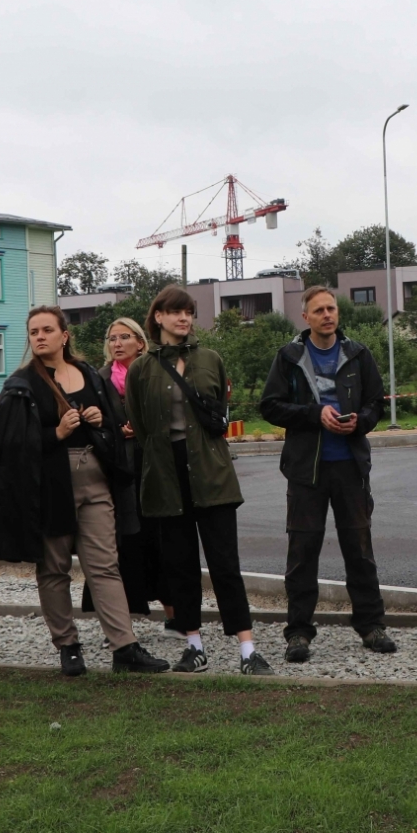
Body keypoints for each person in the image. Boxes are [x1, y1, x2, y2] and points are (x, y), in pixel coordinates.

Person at [0, 306, 170, 675]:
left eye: (46, 330)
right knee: (54, 568)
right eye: (33, 332)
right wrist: (54, 434)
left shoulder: (89, 373)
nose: (39, 337)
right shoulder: (21, 385)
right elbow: (10, 447)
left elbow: (114, 424)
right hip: (51, 486)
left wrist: (100, 420)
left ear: (64, 335)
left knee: (105, 565)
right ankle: (68, 646)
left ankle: (125, 647)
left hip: (95, 480)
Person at [125, 285, 272, 675]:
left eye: (188, 312)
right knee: (181, 565)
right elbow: (141, 427)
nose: (183, 318)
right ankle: (193, 646)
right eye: (174, 312)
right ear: (158, 317)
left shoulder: (210, 358)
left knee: (226, 563)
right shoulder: (141, 368)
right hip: (167, 478)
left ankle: (247, 649)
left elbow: (218, 410)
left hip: (212, 473)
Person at [260, 285, 398, 663]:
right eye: (319, 310)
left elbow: (375, 404)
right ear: (305, 317)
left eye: (331, 308)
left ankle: (371, 626)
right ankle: (298, 633)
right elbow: (269, 406)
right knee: (302, 553)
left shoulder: (358, 354)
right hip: (307, 471)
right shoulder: (288, 357)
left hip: (351, 467)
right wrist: (312, 414)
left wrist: (359, 423)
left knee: (360, 550)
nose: (327, 315)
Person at [98, 316, 176, 629]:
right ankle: (121, 623)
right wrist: (116, 431)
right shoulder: (99, 378)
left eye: (124, 337)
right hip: (117, 472)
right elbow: (93, 422)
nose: (117, 344)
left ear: (140, 343)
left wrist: (142, 429)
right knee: (120, 546)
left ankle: (174, 615)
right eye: (112, 338)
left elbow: (170, 414)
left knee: (161, 542)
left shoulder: (154, 374)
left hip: (152, 468)